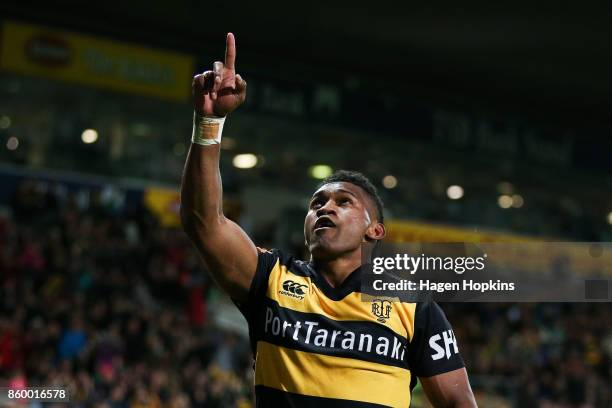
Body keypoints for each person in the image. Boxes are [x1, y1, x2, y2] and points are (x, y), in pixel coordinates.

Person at [181, 33, 477, 408]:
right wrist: (208, 122)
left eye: (343, 201)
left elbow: (459, 404)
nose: (325, 208)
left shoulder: (414, 308)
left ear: (375, 230)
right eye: (317, 202)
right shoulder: (272, 280)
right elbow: (203, 223)